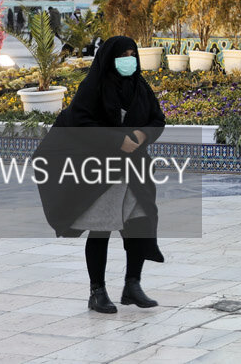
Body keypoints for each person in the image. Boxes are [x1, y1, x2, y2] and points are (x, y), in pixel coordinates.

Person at [34, 36, 167, 314]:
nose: (129, 59)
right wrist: (116, 141)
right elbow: (79, 123)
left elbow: (157, 119)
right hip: (103, 169)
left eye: (133, 54)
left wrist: (143, 134)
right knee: (102, 228)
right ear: (109, 58)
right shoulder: (93, 87)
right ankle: (97, 292)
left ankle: (133, 285)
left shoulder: (139, 87)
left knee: (139, 223)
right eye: (123, 54)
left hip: (134, 170)